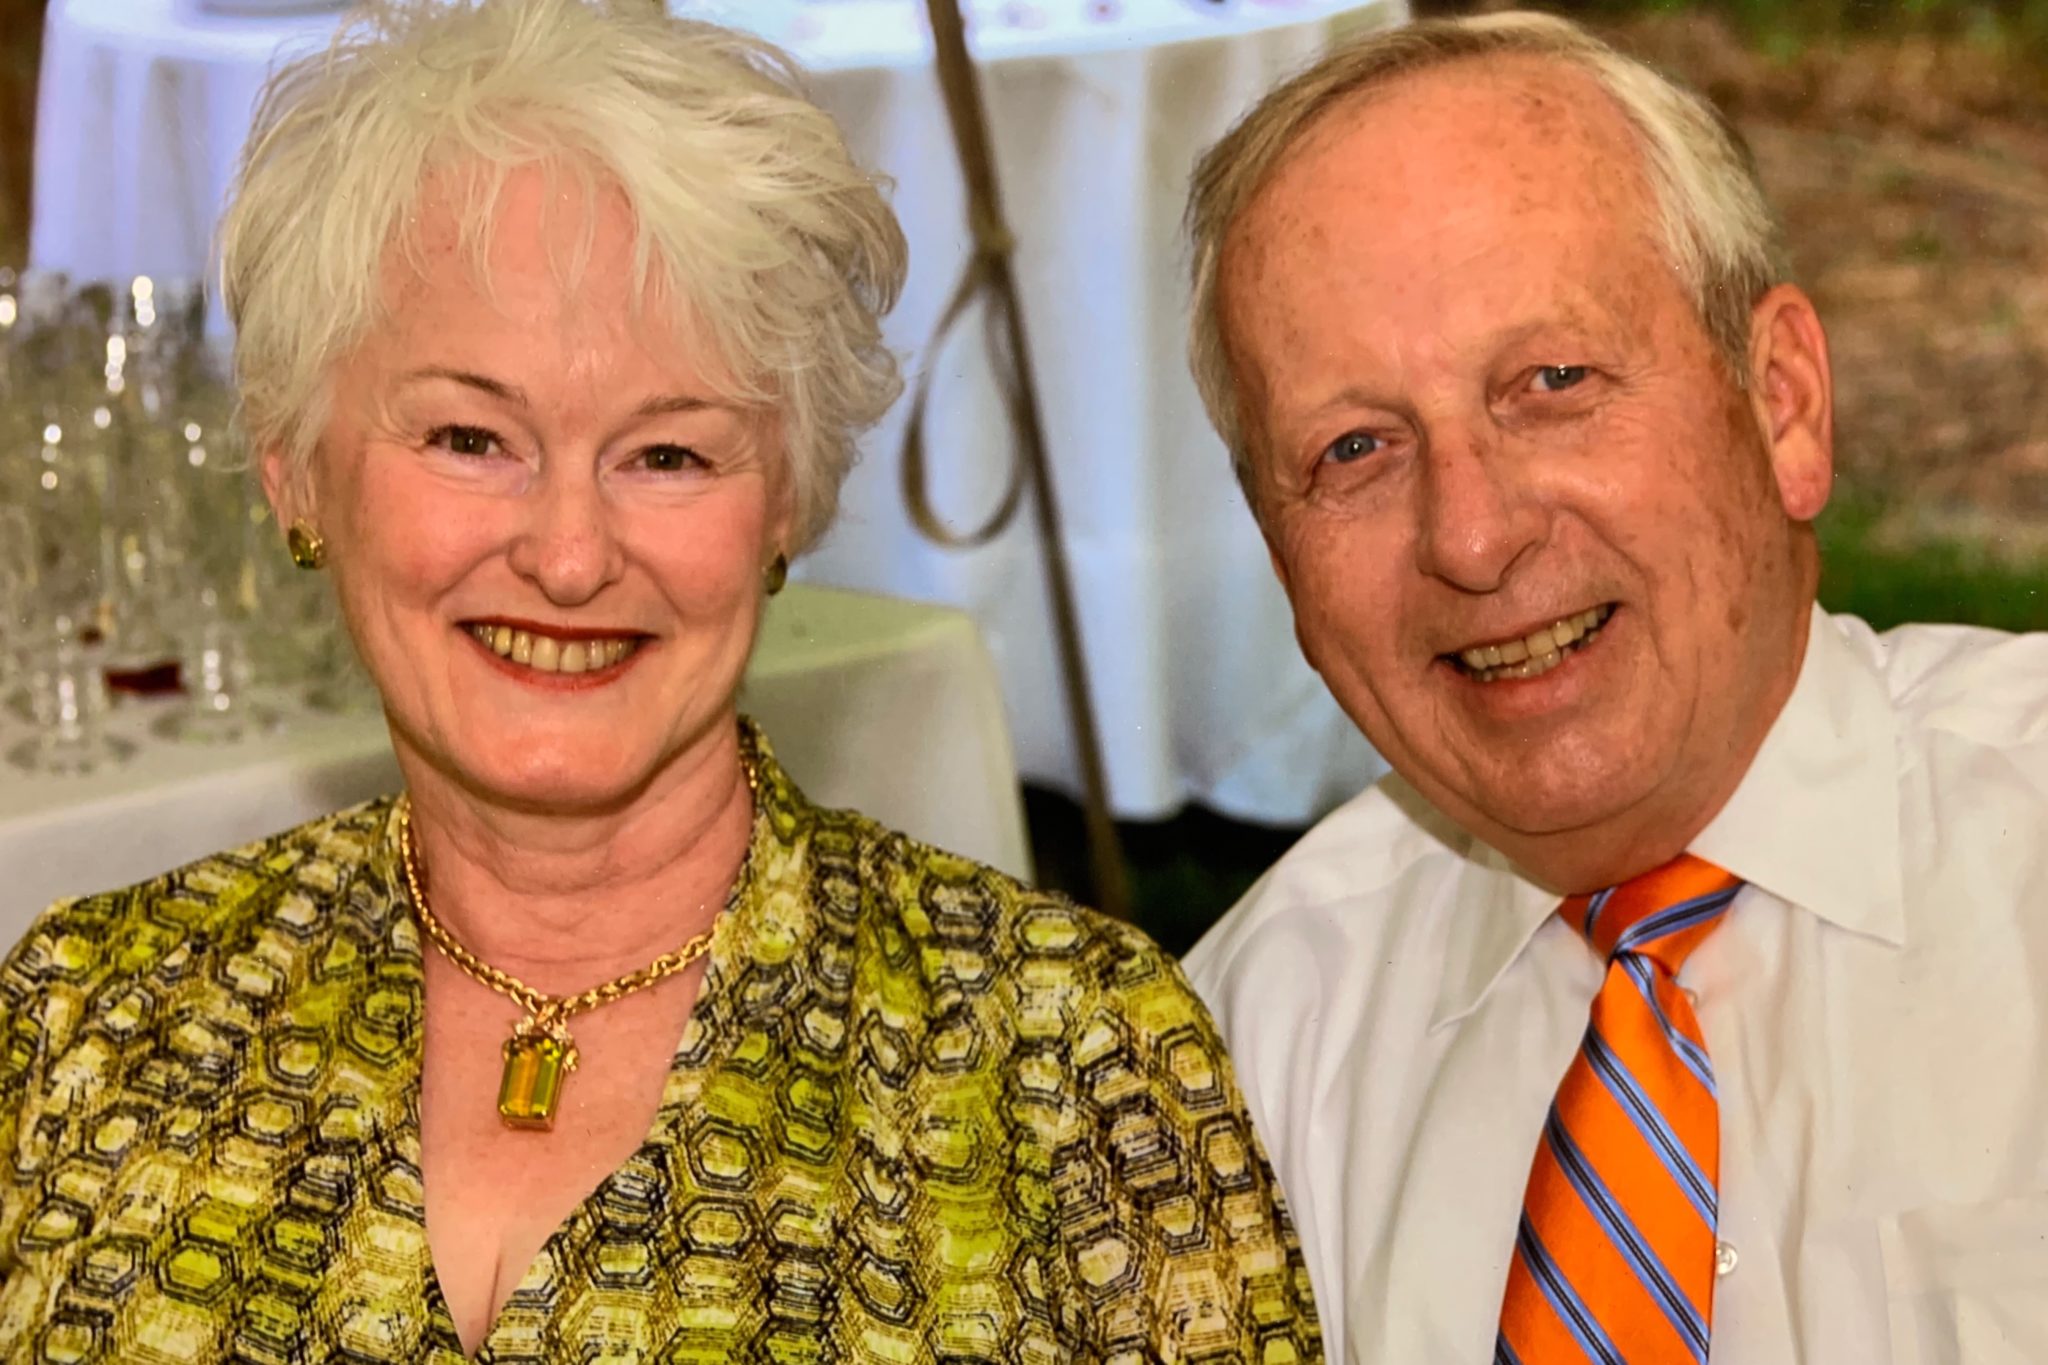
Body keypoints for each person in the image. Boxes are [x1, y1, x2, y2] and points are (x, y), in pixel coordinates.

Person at [0, 2, 1322, 1359]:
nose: (569, 555)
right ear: (296, 465)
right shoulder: (87, 1021)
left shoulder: (1074, 1065)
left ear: (790, 506)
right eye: (470, 435)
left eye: (669, 455)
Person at [1179, 10, 2048, 1365]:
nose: (1470, 535)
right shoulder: (1247, 1059)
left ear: (1783, 405)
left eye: (1552, 381)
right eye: (1354, 448)